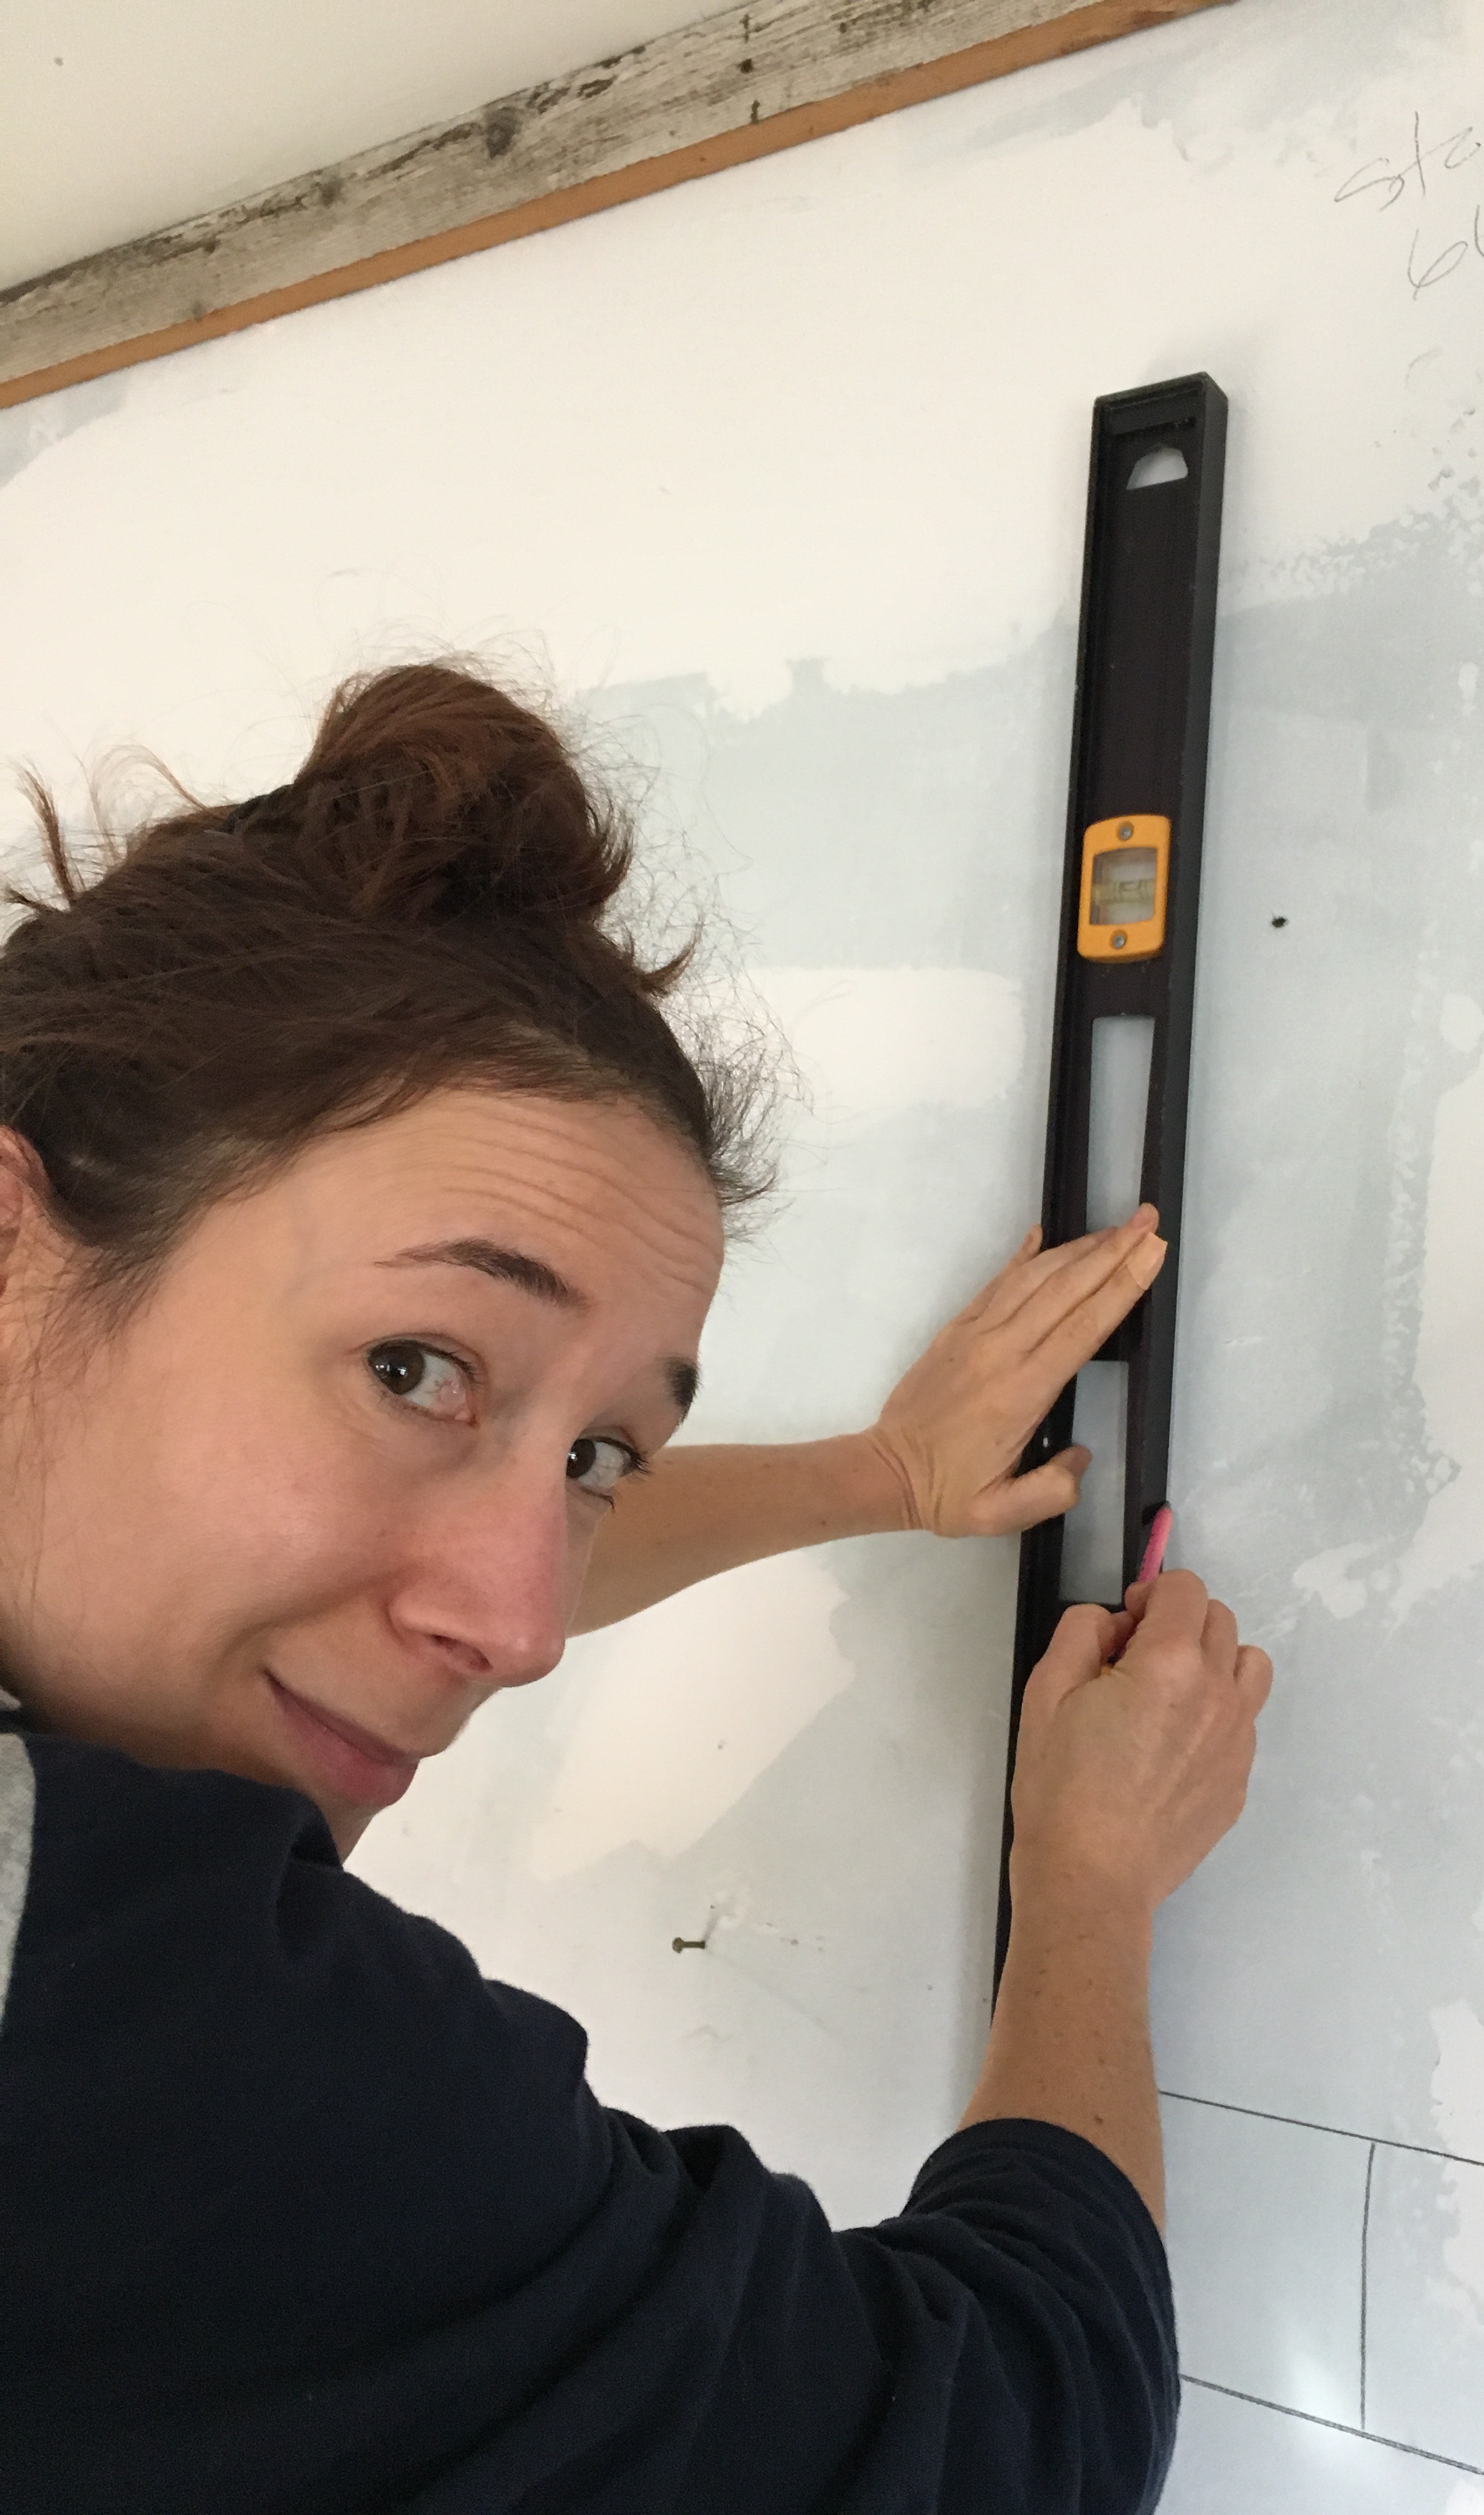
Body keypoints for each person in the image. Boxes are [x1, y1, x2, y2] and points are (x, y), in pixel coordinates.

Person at [0, 664, 1271, 2515]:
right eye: (418, 1369)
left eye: (599, 1458)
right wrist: (1089, 1884)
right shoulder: (146, 2021)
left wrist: (883, 1477)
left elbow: (375, 1575)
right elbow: (1013, 2442)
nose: (520, 1632)